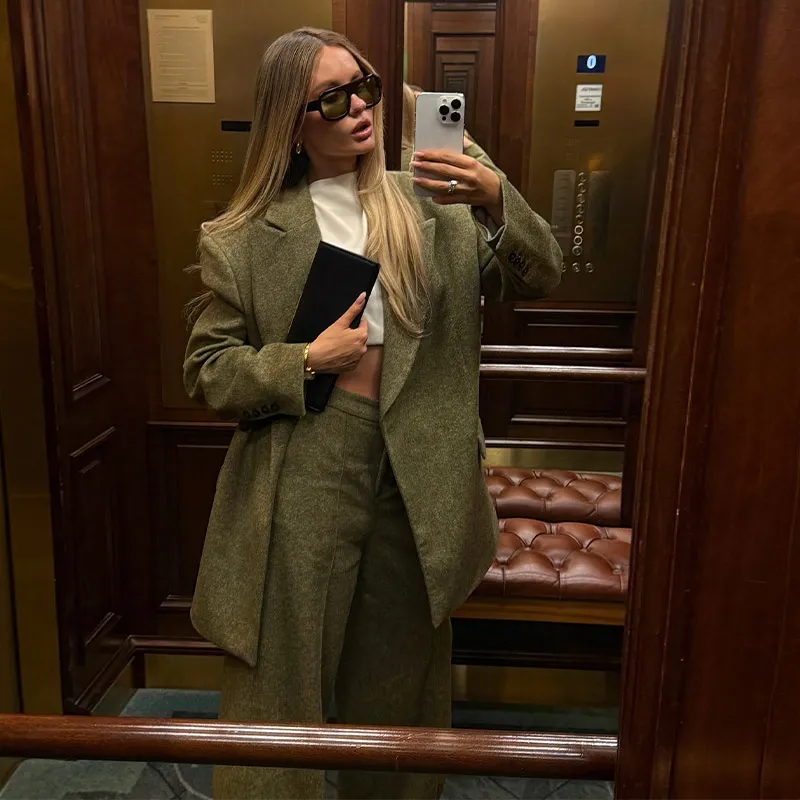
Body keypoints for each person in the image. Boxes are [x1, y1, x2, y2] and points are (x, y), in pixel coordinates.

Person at [184, 27, 562, 800]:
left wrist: (495, 195)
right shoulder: (244, 238)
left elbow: (540, 273)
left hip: (420, 464)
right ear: (292, 122)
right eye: (332, 99)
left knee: (400, 673)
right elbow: (208, 370)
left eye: (366, 87)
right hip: (306, 457)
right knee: (281, 670)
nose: (358, 108)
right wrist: (302, 360)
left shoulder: (437, 205)